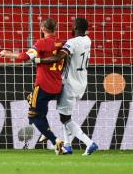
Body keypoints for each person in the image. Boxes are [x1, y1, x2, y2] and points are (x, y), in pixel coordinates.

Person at [0, 18, 65, 154]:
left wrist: (8, 53)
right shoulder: (61, 43)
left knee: (33, 116)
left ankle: (55, 140)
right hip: (57, 86)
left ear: (42, 29)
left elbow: (25, 57)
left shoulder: (41, 43)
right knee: (35, 104)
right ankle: (46, 133)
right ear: (55, 28)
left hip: (43, 85)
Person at [35, 17, 98, 156]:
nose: (71, 27)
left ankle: (89, 143)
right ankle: (68, 146)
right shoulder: (88, 40)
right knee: (65, 115)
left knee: (65, 118)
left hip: (70, 83)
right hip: (82, 82)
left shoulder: (72, 43)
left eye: (72, 26)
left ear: (75, 28)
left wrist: (39, 59)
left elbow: (58, 58)